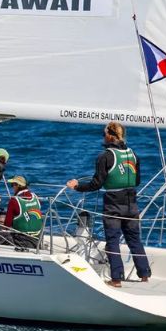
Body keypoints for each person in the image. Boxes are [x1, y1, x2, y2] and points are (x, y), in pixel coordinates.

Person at [66, 122, 151, 287]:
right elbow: (137, 180)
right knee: (134, 239)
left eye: (104, 133)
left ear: (110, 135)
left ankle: (116, 278)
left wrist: (76, 187)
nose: (103, 137)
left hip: (113, 203)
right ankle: (144, 275)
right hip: (132, 202)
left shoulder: (104, 156)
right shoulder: (133, 154)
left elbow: (96, 184)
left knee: (112, 240)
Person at [4, 175, 43, 248]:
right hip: (38, 238)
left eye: (12, 185)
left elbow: (7, 224)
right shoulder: (36, 197)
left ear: (17, 185)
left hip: (21, 239)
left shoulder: (14, 201)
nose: (12, 187)